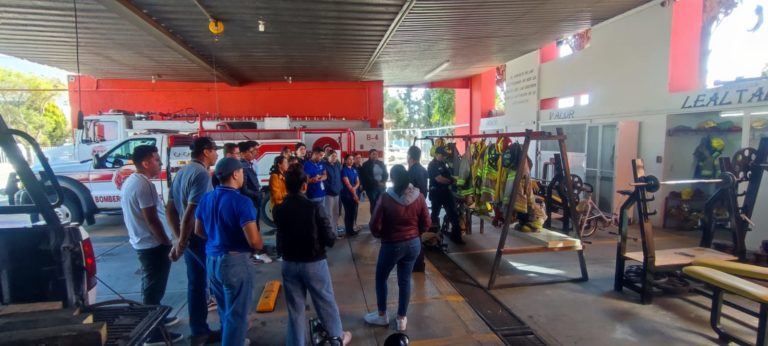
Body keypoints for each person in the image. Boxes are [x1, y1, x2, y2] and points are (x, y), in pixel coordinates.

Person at [274, 167, 352, 346]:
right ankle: (336, 338)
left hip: (288, 263)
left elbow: (280, 235)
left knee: (295, 308)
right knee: (325, 302)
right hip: (313, 263)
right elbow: (330, 239)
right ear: (304, 186)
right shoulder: (315, 207)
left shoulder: (279, 209)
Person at [195, 157, 264, 346]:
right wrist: (258, 244)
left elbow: (198, 231)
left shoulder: (207, 198)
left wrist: (218, 237)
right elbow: (254, 241)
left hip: (212, 260)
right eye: (241, 172)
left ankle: (235, 339)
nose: (243, 175)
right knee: (238, 315)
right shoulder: (241, 202)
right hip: (235, 262)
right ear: (235, 174)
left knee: (226, 310)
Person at [119, 145, 184, 345]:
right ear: (145, 162)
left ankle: (156, 318)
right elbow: (152, 219)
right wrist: (166, 242)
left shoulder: (133, 181)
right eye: (157, 159)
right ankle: (152, 333)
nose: (160, 163)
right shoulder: (144, 185)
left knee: (152, 287)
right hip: (152, 244)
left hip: (144, 242)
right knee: (153, 290)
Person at [165, 137, 219, 343]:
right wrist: (181, 242)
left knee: (196, 285)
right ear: (205, 152)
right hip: (200, 239)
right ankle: (231, 330)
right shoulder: (201, 174)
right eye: (214, 150)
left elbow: (170, 209)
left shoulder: (182, 172)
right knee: (220, 282)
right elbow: (190, 212)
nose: (216, 154)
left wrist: (178, 239)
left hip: (188, 240)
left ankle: (199, 331)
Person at [365, 165, 430, 332]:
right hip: (413, 244)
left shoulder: (386, 198)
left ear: (392, 179)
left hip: (392, 244)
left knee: (381, 278)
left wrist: (382, 236)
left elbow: (374, 225)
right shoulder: (419, 196)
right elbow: (427, 223)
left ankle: (382, 316)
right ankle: (401, 319)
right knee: (404, 280)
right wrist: (415, 234)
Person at [428, 146, 463, 244]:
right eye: (442, 155)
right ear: (437, 155)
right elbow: (439, 178)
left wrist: (454, 178)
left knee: (453, 214)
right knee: (435, 215)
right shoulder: (432, 165)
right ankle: (432, 238)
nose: (444, 157)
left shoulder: (443, 164)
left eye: (444, 155)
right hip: (437, 193)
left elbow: (447, 175)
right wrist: (451, 181)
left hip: (446, 192)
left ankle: (456, 237)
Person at [406, 146, 428, 272]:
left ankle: (418, 264)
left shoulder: (413, 171)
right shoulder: (421, 169)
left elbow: (414, 191)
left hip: (415, 207)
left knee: (416, 236)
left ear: (410, 157)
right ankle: (418, 264)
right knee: (417, 235)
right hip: (420, 205)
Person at [360, 149, 388, 214]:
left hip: (382, 187)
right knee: (374, 204)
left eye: (376, 154)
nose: (375, 155)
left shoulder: (381, 163)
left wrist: (384, 182)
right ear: (369, 155)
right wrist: (377, 183)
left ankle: (380, 220)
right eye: (373, 154)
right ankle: (373, 220)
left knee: (381, 204)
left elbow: (385, 174)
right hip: (371, 188)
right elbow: (367, 177)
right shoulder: (365, 164)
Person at [340, 154, 360, 237]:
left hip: (354, 193)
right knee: (348, 213)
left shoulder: (354, 170)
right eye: (349, 159)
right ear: (345, 161)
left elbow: (358, 182)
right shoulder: (344, 170)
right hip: (347, 195)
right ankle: (348, 231)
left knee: (353, 213)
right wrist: (354, 194)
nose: (351, 161)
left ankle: (351, 229)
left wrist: (355, 189)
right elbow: (347, 184)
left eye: (352, 159)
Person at [323, 150, 342, 233]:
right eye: (332, 156)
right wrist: (331, 189)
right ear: (328, 157)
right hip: (329, 194)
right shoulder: (324, 166)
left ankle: (335, 232)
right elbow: (325, 181)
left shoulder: (337, 165)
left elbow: (339, 178)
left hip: (337, 193)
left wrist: (339, 188)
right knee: (329, 214)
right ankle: (329, 233)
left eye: (335, 156)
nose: (334, 157)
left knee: (336, 213)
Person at [238, 141, 261, 211]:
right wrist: (257, 194)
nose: (254, 154)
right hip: (250, 201)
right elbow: (244, 189)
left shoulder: (249, 164)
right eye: (251, 152)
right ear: (243, 153)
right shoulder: (244, 166)